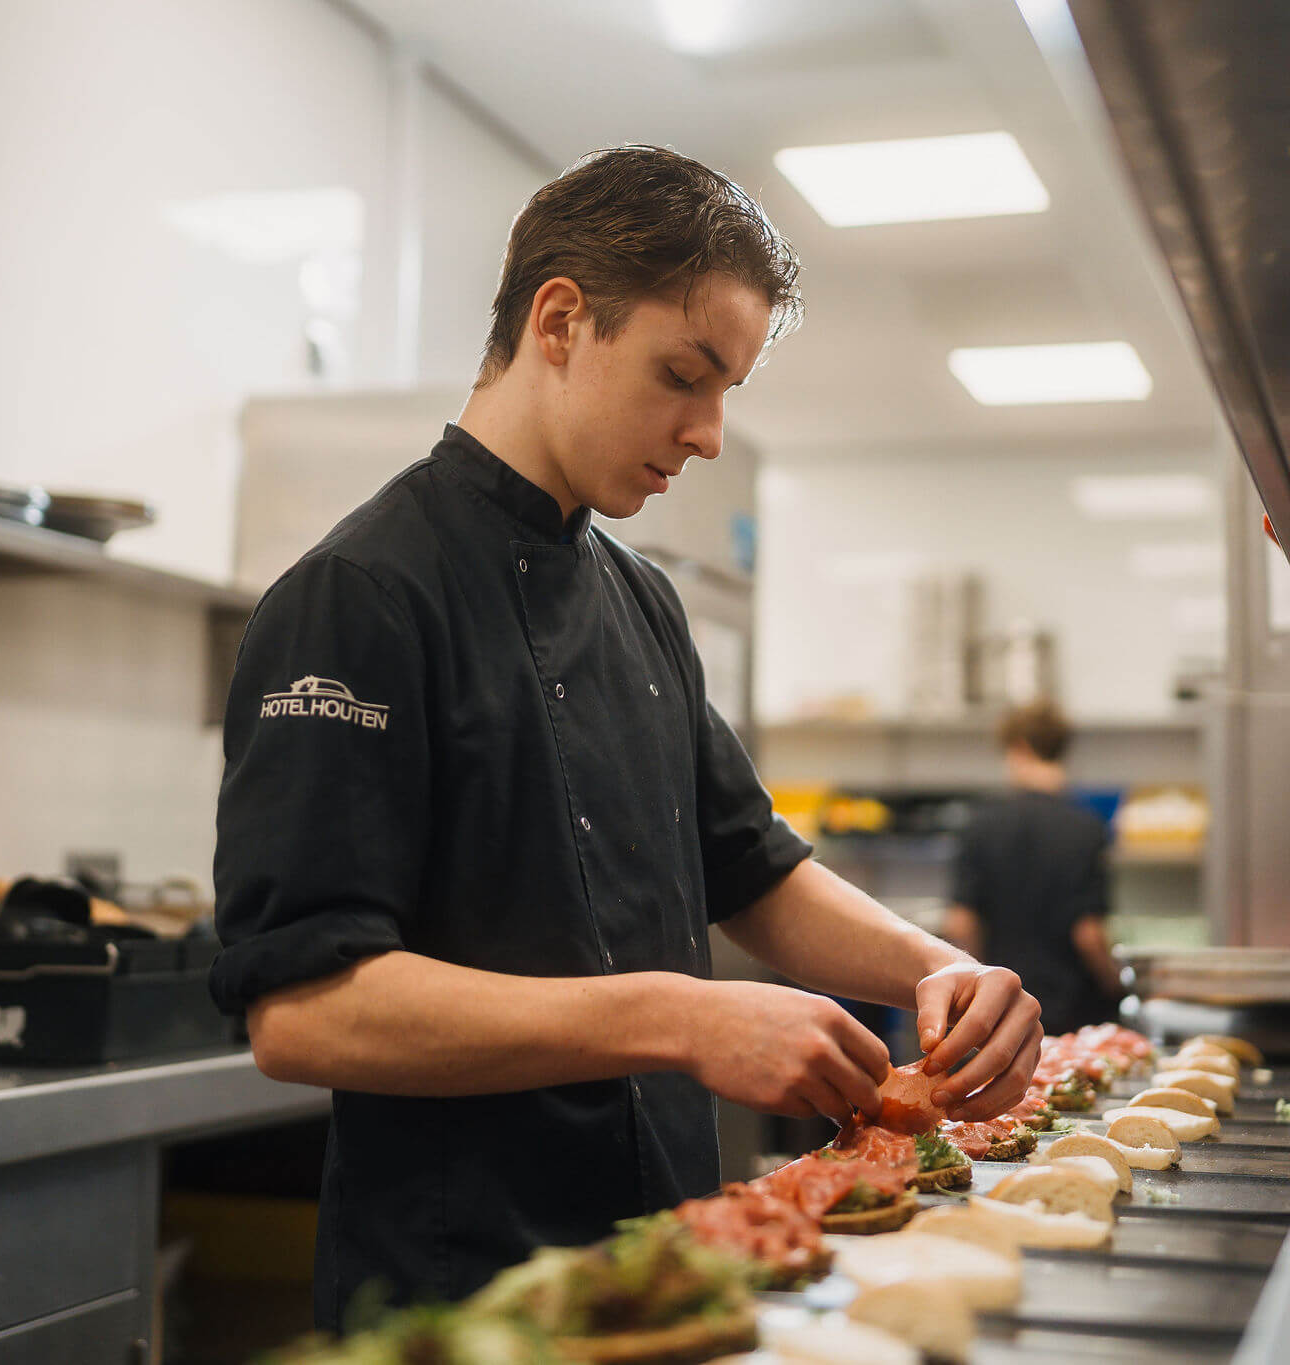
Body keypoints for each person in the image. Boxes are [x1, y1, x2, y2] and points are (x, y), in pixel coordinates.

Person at [209, 145, 1043, 1328]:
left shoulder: (638, 597)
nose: (706, 434)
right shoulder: (361, 596)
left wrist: (936, 971)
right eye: (681, 376)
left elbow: (749, 869)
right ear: (559, 322)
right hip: (467, 1302)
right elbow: (305, 1012)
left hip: (668, 1269)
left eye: (725, 391)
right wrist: (679, 1017)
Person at [941, 700, 1123, 1036]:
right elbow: (1088, 933)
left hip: (1001, 1007)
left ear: (1019, 748)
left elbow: (961, 922)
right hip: (1071, 1013)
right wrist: (1117, 985)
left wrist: (978, 989)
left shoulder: (981, 824)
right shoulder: (1086, 827)